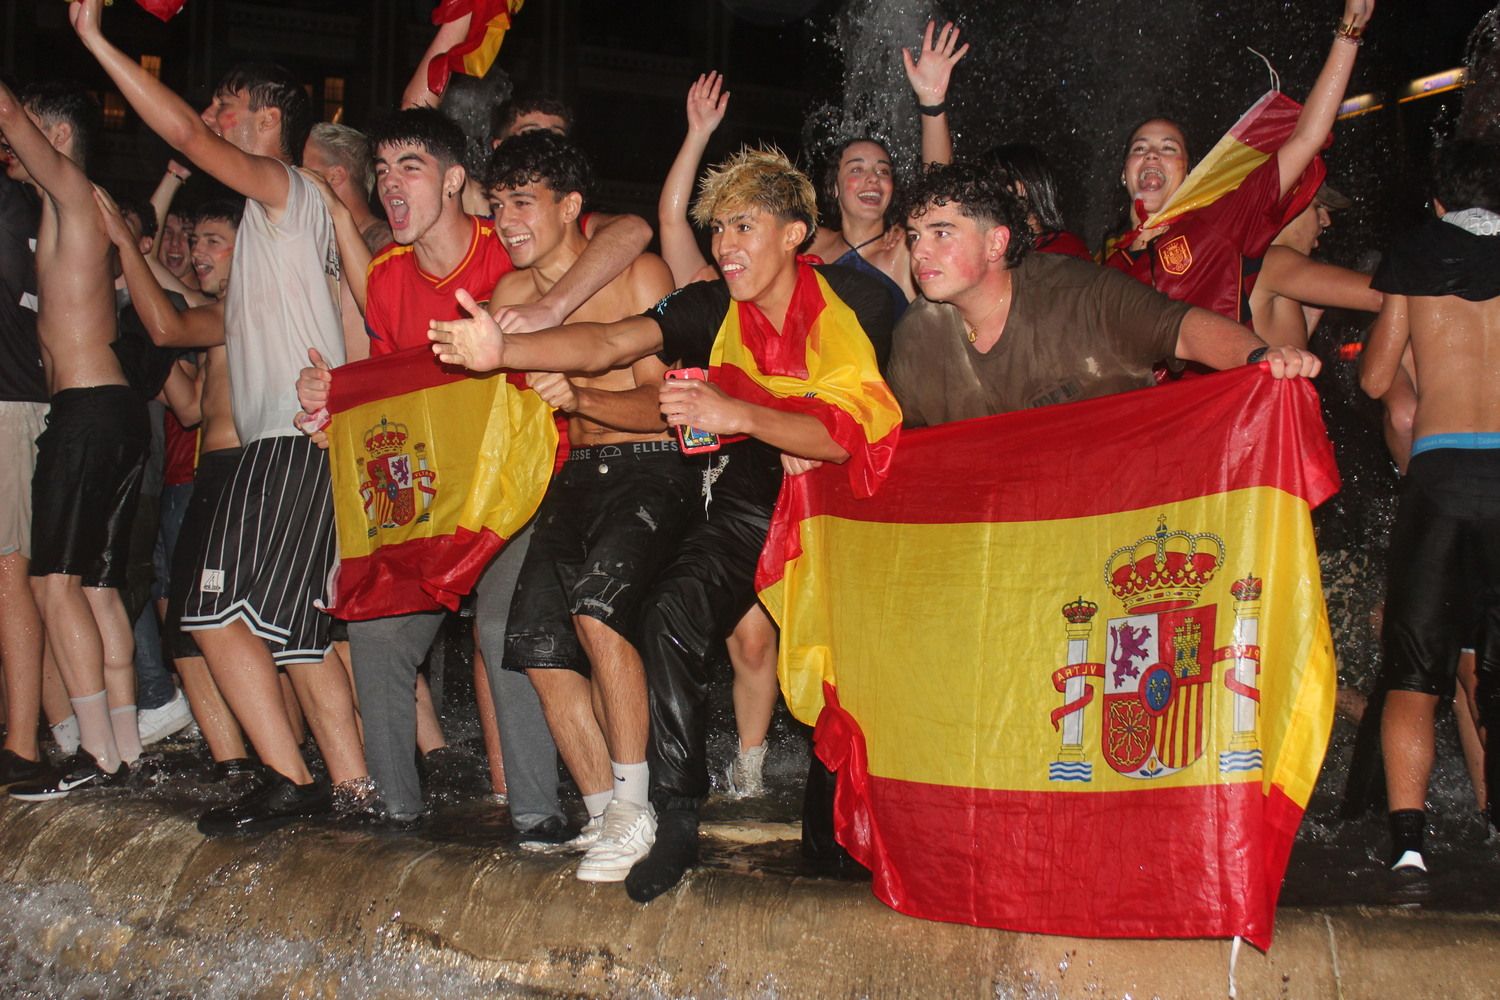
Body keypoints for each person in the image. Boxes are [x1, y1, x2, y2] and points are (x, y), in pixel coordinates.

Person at [431, 146, 901, 902]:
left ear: (794, 233)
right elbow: (613, 340)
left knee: (834, 804)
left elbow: (856, 431)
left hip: (845, 517)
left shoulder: (863, 304)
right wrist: (505, 350)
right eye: (718, 230)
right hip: (747, 499)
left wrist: (740, 413)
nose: (724, 246)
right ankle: (674, 817)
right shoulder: (714, 303)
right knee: (668, 612)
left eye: (743, 226)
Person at [72, 0, 370, 832]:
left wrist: (98, 40)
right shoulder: (281, 219)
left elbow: (192, 143)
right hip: (295, 442)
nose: (208, 120)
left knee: (210, 616)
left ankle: (287, 776)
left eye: (225, 108)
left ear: (268, 120)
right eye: (208, 109)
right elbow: (171, 327)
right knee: (300, 636)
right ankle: (352, 791)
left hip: (288, 442)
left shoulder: (284, 186)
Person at [486, 130, 683, 880]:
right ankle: (605, 812)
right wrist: (333, 401)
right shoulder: (510, 296)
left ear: (570, 207)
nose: (507, 219)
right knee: (535, 642)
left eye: (523, 202)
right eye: (499, 203)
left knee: (599, 611)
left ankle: (638, 805)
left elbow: (672, 406)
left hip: (653, 466)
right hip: (577, 475)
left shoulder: (640, 276)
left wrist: (583, 395)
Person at [889, 161, 1320, 427]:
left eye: (940, 233)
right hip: (1009, 531)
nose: (919, 250)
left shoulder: (1082, 293)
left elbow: (1184, 329)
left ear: (995, 244)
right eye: (913, 236)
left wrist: (1261, 360)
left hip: (1120, 511)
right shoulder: (915, 335)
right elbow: (891, 436)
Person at [0, 79, 150, 799]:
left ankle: (91, 753)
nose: (7, 152)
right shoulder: (79, 205)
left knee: (50, 583)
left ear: (54, 139)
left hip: (86, 411)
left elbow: (6, 113)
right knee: (97, 589)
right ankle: (123, 751)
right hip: (116, 412)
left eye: (22, 137)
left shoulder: (68, 190)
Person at [1358, 137, 1500, 873]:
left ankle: (1410, 847)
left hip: (1442, 475)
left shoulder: (1415, 255)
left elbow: (1379, 377)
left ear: (1440, 202)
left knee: (1414, 671)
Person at [97, 192, 258, 782]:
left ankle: (277, 764)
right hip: (211, 475)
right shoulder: (224, 308)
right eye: (195, 241)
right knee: (201, 630)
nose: (197, 252)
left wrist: (123, 243)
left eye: (214, 241)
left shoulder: (251, 307)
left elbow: (168, 322)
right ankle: (239, 762)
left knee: (247, 630)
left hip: (239, 474)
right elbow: (190, 406)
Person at [1103, 0, 1375, 324]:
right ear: (1123, 174)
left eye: (1169, 148)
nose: (1152, 154)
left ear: (1189, 173)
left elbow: (1305, 139)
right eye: (1140, 148)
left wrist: (1350, 30)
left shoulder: (1218, 223)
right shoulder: (1105, 269)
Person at [0, 147, 69, 786]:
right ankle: (45, 727)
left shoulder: (18, 204)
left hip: (12, 403)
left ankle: (23, 744)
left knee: (11, 569)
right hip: (17, 401)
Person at [1248, 183, 1382, 348]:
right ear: (1287, 207)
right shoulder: (1273, 259)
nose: (1326, 221)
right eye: (1317, 207)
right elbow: (1379, 295)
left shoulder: (1261, 262)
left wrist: (1310, 318)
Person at [806, 138, 913, 316]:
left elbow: (939, 194)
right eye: (857, 169)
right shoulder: (811, 240)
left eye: (883, 171)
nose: (873, 178)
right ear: (834, 188)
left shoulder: (904, 250)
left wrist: (933, 113)